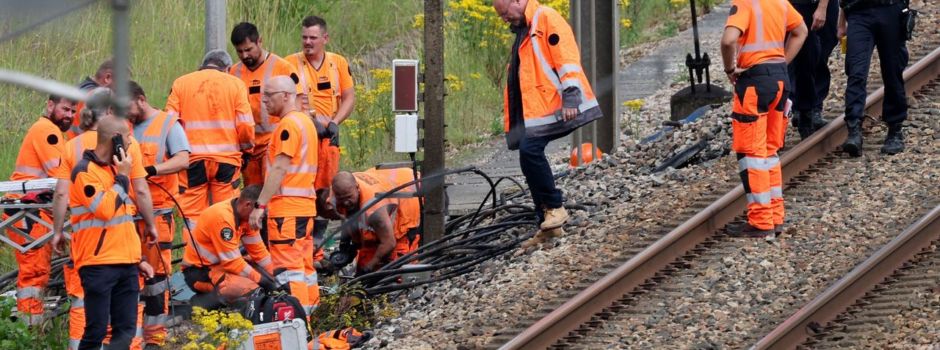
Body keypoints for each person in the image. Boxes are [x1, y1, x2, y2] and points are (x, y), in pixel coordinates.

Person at [492, 0, 602, 244]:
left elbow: (567, 58)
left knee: (530, 151)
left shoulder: (546, 18)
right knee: (527, 154)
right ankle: (546, 221)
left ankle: (554, 208)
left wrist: (571, 97)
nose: (504, 19)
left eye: (504, 13)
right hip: (539, 109)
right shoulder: (527, 28)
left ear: (517, 1)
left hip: (555, 106)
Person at [54, 117, 156, 349]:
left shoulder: (115, 170)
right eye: (127, 140)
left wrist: (137, 258)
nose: (131, 147)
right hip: (98, 264)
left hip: (126, 263)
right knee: (96, 331)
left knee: (126, 331)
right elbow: (106, 210)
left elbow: (123, 221)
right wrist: (122, 176)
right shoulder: (83, 172)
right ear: (116, 141)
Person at [721, 0, 808, 237]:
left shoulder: (745, 3)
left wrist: (729, 69)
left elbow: (728, 40)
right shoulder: (780, 2)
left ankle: (761, 221)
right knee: (770, 151)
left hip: (754, 83)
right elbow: (801, 31)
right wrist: (781, 62)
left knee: (752, 154)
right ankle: (775, 216)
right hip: (780, 79)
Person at [285, 15, 356, 269]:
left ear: (324, 38)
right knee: (303, 192)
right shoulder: (290, 64)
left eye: (313, 38)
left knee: (326, 195)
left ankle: (318, 247)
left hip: (329, 143)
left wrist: (335, 122)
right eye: (304, 37)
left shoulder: (337, 64)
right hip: (303, 141)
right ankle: (305, 250)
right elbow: (288, 101)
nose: (308, 42)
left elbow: (349, 96)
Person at [127, 81, 191, 347]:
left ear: (141, 99)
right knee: (129, 278)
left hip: (157, 214)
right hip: (128, 216)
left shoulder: (168, 124)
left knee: (155, 281)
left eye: (127, 107)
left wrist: (152, 170)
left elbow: (183, 159)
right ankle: (131, 337)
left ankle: (154, 339)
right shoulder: (124, 126)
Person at [249, 76, 319, 315]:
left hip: (286, 211)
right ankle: (310, 321)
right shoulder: (305, 122)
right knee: (305, 270)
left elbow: (279, 167)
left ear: (287, 96)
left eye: (269, 95)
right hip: (305, 207)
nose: (264, 100)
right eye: (263, 95)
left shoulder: (288, 126)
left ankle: (298, 326)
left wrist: (260, 205)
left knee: (289, 272)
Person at [166, 50, 255, 230]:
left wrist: (175, 154)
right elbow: (245, 125)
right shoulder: (236, 84)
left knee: (192, 215)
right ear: (227, 68)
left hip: (191, 161)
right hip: (226, 161)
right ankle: (225, 252)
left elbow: (169, 122)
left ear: (202, 66)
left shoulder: (181, 83)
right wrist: (247, 150)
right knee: (227, 211)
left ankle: (194, 254)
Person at [6, 94, 75, 325]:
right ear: (50, 105)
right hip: (29, 210)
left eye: (73, 112)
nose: (70, 115)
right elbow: (61, 178)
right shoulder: (48, 131)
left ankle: (32, 328)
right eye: (66, 109)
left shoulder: (47, 130)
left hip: (29, 209)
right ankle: (30, 330)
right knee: (34, 273)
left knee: (35, 271)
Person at [228, 22, 303, 187]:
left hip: (273, 144)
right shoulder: (233, 73)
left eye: (248, 50)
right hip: (249, 149)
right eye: (239, 51)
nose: (245, 55)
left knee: (273, 193)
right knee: (252, 196)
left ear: (259, 41)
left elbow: (298, 106)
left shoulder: (282, 67)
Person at [181, 185, 276, 306]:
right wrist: (264, 282)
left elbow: (260, 254)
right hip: (199, 272)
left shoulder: (248, 218)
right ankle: (203, 302)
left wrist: (278, 278)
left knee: (265, 277)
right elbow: (232, 263)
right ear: (248, 205)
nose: (262, 216)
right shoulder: (222, 218)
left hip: (221, 266)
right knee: (250, 288)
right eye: (261, 212)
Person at [838, 0, 909, 156]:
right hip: (858, 12)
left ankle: (895, 129)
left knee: (892, 72)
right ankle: (854, 130)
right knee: (856, 71)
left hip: (890, 9)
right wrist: (841, 21)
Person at [330, 168, 420, 274]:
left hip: (409, 196)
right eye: (341, 199)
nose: (345, 203)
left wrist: (369, 267)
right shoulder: (339, 191)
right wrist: (345, 247)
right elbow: (347, 218)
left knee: (397, 272)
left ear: (357, 188)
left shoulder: (375, 210)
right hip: (383, 180)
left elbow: (389, 243)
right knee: (364, 264)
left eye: (349, 197)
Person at [788, 0, 831, 139]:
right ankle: (800, 109)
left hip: (816, 6)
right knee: (798, 60)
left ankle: (811, 109)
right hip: (791, 6)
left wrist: (822, 7)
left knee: (814, 58)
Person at [67, 59, 114, 138]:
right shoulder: (96, 97)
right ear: (108, 77)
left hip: (71, 144)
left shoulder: (80, 89)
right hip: (85, 146)